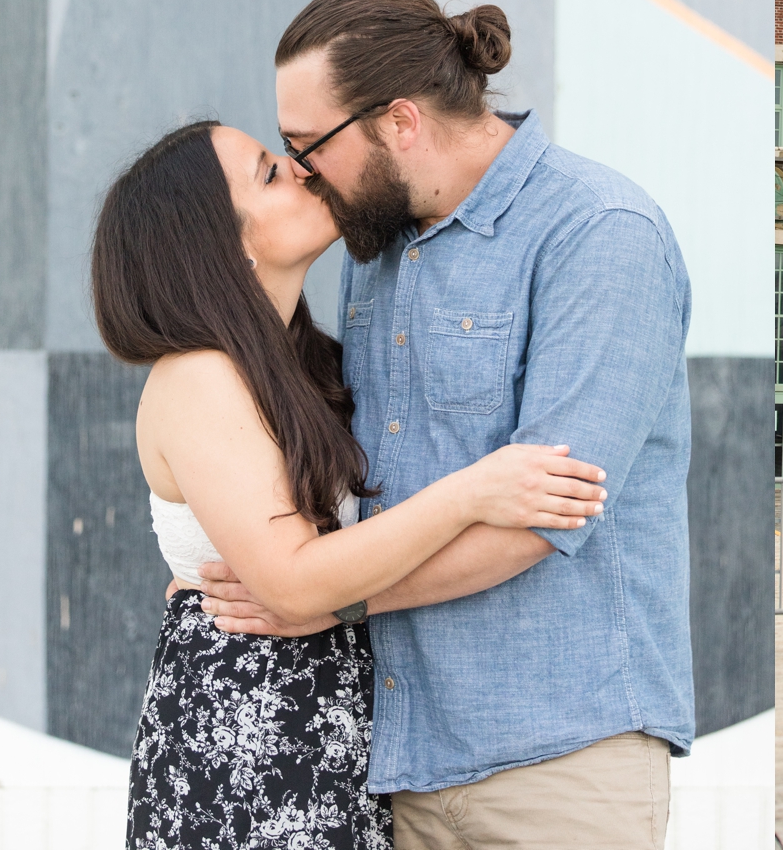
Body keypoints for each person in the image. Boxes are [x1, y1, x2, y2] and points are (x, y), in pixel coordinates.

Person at [198, 0, 695, 850]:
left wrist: (322, 601)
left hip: (561, 760)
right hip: (402, 764)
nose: (303, 170)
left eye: (306, 144)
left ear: (399, 122)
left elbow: (542, 521)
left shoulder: (601, 233)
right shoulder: (375, 251)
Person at [94, 120, 608, 850]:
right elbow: (295, 586)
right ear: (219, 242)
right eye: (270, 173)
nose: (303, 170)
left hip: (327, 731)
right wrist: (472, 493)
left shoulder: (304, 366)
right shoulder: (199, 376)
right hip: (251, 746)